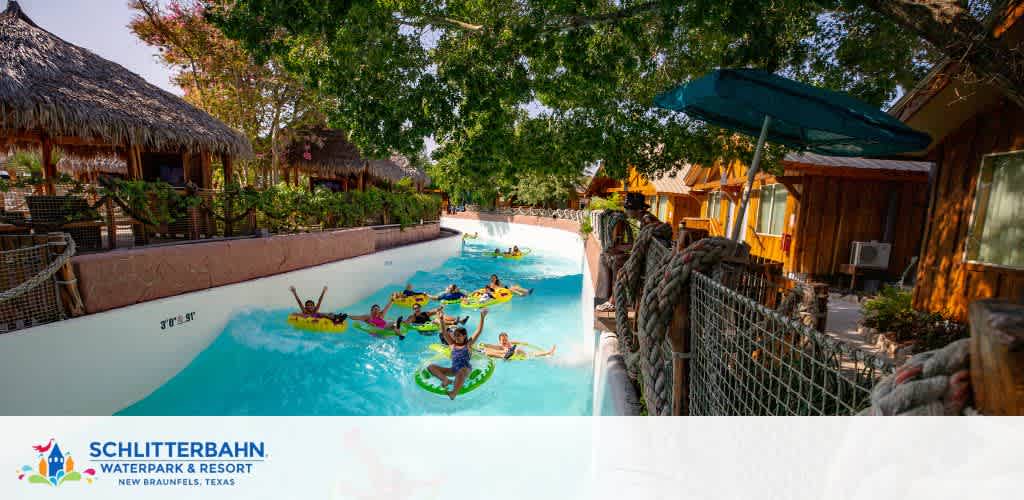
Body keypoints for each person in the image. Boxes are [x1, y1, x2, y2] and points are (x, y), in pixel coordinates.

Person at [595, 192, 669, 312]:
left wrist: (620, 248)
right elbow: (641, 244)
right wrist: (620, 248)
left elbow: (644, 245)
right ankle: (603, 298)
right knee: (606, 255)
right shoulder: (644, 219)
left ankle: (613, 302)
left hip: (651, 262)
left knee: (617, 262)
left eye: (628, 208)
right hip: (646, 257)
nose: (626, 211)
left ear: (639, 210)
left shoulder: (647, 220)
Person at [428, 308, 488, 400]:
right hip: (454, 369)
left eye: (459, 336)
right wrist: (441, 319)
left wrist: (482, 317)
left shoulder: (468, 344)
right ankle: (445, 380)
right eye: (455, 335)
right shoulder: (452, 344)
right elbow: (444, 332)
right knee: (431, 367)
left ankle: (454, 393)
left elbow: (478, 331)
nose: (456, 338)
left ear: (464, 336)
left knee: (461, 372)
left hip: (465, 369)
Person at [479, 332, 556, 360]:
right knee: (504, 351)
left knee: (532, 353)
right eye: (503, 340)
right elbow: (491, 346)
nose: (505, 341)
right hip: (511, 354)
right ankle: (548, 353)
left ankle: (548, 353)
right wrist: (484, 345)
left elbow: (517, 342)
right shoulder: (500, 346)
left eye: (506, 339)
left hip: (518, 353)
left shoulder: (509, 343)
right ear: (500, 341)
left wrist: (524, 343)